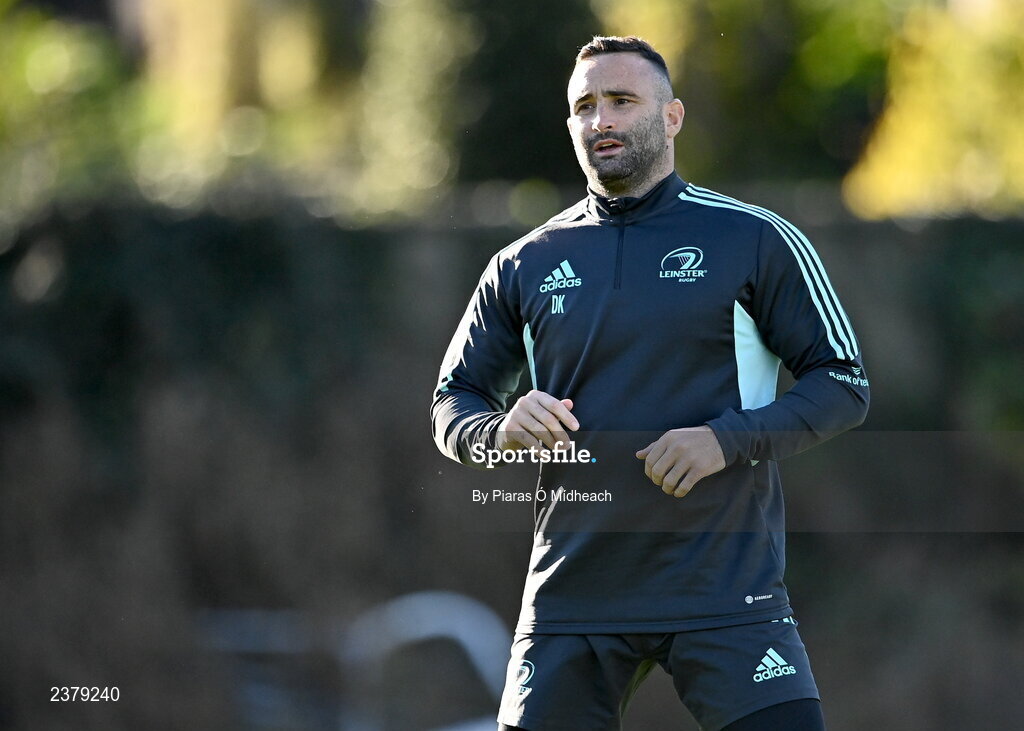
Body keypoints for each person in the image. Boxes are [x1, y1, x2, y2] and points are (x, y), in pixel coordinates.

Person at [430, 35, 868, 731]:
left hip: (724, 588)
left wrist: (726, 440)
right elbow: (452, 404)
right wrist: (498, 429)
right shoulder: (522, 263)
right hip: (573, 596)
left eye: (621, 101)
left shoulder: (754, 240)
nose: (600, 119)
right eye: (584, 106)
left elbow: (843, 381)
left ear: (671, 117)